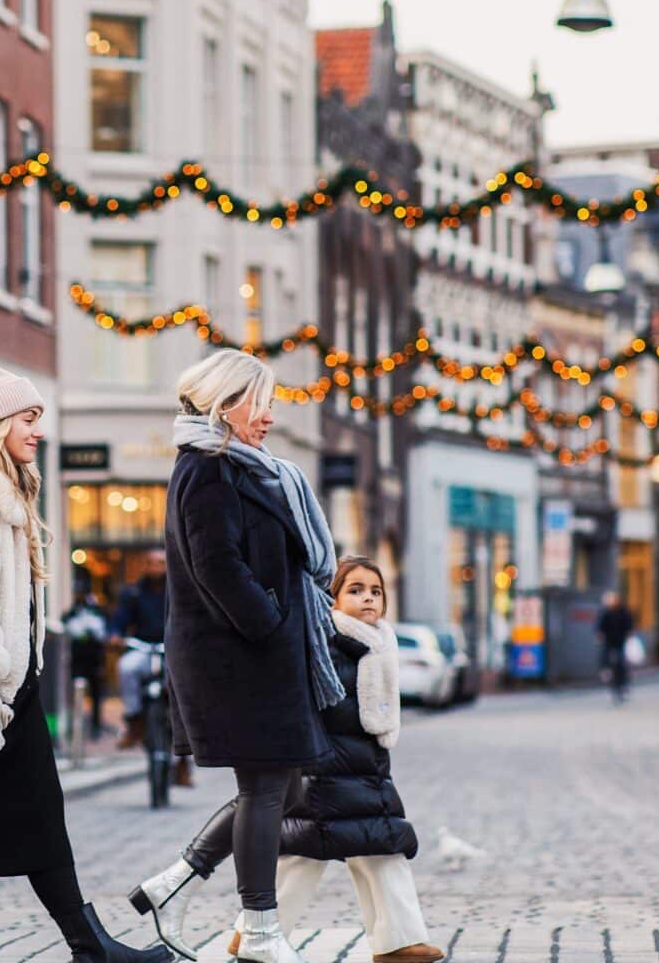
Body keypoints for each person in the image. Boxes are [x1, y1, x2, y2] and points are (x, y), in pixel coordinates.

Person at [0, 356, 167, 963]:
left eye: (39, 416)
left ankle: (87, 943)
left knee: (10, 820)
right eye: (28, 416)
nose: (38, 429)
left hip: (7, 692)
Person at [130, 349, 339, 963]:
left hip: (262, 657)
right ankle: (261, 931)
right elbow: (215, 564)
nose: (270, 416)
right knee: (269, 786)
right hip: (239, 659)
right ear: (225, 404)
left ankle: (174, 883)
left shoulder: (245, 467)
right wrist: (269, 621)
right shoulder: (207, 470)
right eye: (260, 402)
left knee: (290, 785)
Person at [272, 557, 442, 963]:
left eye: (375, 591)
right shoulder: (330, 642)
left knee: (381, 847)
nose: (368, 598)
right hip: (328, 769)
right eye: (355, 590)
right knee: (305, 853)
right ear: (333, 600)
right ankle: (258, 930)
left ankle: (397, 941)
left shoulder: (377, 641)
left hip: (362, 769)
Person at [111, 551, 170, 749]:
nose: (156, 567)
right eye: (151, 563)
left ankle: (182, 764)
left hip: (171, 650)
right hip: (142, 648)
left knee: (182, 680)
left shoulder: (177, 591)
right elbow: (120, 618)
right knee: (126, 667)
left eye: (161, 562)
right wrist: (115, 635)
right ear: (144, 566)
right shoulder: (133, 592)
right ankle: (134, 721)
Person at [63, 588, 110, 741]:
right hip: (78, 658)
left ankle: (96, 725)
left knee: (96, 694)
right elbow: (65, 622)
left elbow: (103, 634)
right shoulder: (73, 611)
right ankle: (75, 726)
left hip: (94, 658)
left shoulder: (96, 610)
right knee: (75, 692)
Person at [595, 591, 634, 705]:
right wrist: (599, 634)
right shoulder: (605, 613)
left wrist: (628, 634)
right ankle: (605, 672)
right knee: (604, 657)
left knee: (621, 663)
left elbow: (629, 625)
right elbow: (599, 626)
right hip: (609, 642)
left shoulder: (623, 612)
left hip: (620, 642)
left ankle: (623, 685)